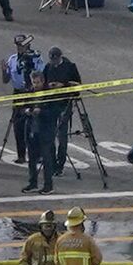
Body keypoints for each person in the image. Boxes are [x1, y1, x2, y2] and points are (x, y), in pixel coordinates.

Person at [42, 46, 83, 175]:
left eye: (55, 59)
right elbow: (43, 83)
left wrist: (63, 85)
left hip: (65, 104)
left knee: (62, 135)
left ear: (60, 57)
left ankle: (61, 163)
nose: (53, 62)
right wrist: (49, 86)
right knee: (50, 134)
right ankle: (52, 163)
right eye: (51, 60)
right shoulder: (48, 67)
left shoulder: (70, 67)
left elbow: (77, 85)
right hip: (51, 104)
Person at [25, 70, 63, 195]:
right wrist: (27, 111)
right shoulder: (29, 93)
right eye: (33, 82)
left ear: (43, 81)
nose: (35, 85)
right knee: (31, 158)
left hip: (46, 130)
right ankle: (33, 183)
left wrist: (41, 112)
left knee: (46, 158)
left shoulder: (50, 94)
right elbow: (21, 106)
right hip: (32, 129)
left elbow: (56, 112)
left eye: (37, 82)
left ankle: (48, 185)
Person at [3, 35, 37, 163]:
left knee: (33, 124)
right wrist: (4, 71)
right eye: (18, 45)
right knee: (18, 124)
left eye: (23, 45)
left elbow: (41, 73)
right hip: (18, 93)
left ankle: (35, 154)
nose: (20, 47)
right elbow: (6, 80)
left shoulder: (35, 58)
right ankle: (21, 154)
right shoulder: (12, 59)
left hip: (32, 92)